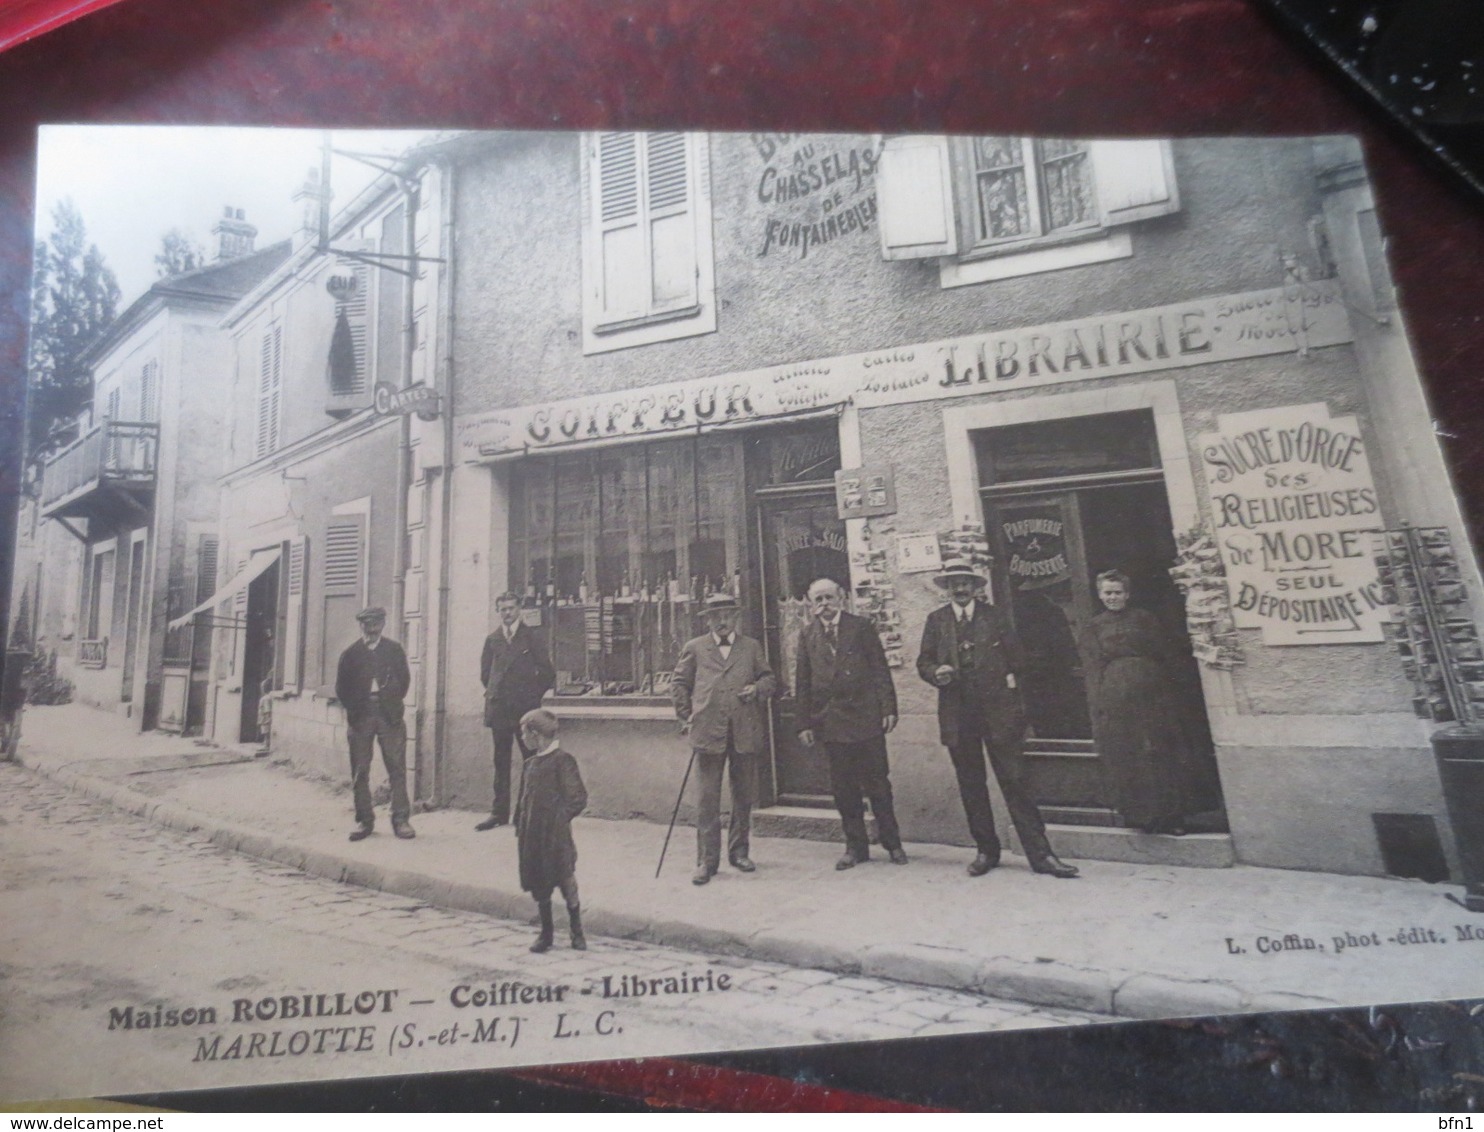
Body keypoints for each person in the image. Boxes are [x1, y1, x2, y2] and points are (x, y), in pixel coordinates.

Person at [916, 559, 1078, 879]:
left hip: (998, 712)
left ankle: (1041, 855)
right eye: (953, 583)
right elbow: (924, 662)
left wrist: (1007, 686)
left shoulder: (995, 617)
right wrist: (937, 673)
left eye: (965, 582)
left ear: (976, 587)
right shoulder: (936, 621)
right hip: (957, 714)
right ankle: (986, 851)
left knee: (1016, 782)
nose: (960, 588)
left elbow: (1017, 659)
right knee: (971, 785)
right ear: (947, 589)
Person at [796, 577, 909, 870]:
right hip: (831, 722)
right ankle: (855, 847)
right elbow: (803, 684)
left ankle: (892, 843)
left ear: (842, 598)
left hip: (865, 718)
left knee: (878, 784)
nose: (824, 605)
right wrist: (804, 723)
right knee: (844, 789)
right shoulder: (807, 636)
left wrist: (888, 708)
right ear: (810, 605)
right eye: (818, 600)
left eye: (829, 598)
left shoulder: (861, 628)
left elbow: (880, 670)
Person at [1079, 569, 1202, 836]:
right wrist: (1100, 700)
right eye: (1107, 593)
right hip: (1116, 694)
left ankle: (1172, 816)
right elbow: (1092, 664)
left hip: (1152, 691)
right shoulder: (1093, 626)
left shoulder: (1144, 618)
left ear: (1127, 594)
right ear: (1100, 595)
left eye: (1118, 592)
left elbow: (1163, 652)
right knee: (1129, 752)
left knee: (1159, 750)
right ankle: (1141, 816)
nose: (1113, 597)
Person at [672, 592, 776, 886]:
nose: (722, 620)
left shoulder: (751, 647)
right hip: (708, 731)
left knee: (743, 796)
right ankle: (706, 861)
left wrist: (757, 689)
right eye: (715, 616)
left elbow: (770, 679)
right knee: (707, 800)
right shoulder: (695, 648)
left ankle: (739, 852)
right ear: (707, 620)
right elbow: (679, 683)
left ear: (736, 618)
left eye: (727, 615)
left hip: (745, 729)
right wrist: (685, 715)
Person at [476, 592, 556, 831]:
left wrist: (530, 696)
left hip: (525, 710)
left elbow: (547, 673)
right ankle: (498, 812)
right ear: (497, 611)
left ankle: (524, 813)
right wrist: (498, 694)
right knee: (500, 762)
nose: (507, 613)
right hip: (500, 708)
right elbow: (486, 675)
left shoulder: (532, 637)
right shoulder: (493, 640)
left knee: (530, 761)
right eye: (503, 609)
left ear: (519, 609)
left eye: (511, 608)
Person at [335, 606, 414, 842]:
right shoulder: (350, 654)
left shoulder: (394, 650)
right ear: (361, 627)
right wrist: (356, 710)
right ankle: (364, 820)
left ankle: (401, 820)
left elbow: (405, 680)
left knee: (397, 768)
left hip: (389, 714)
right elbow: (342, 688)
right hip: (361, 716)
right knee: (360, 770)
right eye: (367, 627)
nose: (371, 632)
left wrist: (390, 700)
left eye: (376, 627)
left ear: (382, 626)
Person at [515, 708, 588, 952]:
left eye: (524, 733)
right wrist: (521, 826)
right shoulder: (529, 765)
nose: (522, 738)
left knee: (566, 881)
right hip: (533, 837)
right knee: (539, 884)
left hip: (556, 837)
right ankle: (546, 933)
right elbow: (523, 801)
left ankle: (576, 930)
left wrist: (558, 820)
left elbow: (577, 798)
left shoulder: (562, 761)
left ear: (536, 734)